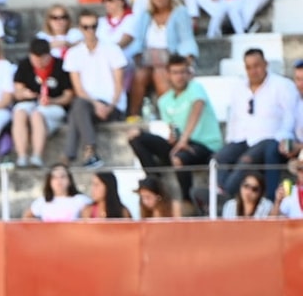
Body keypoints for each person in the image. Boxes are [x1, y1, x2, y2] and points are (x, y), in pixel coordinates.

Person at [128, 54, 221, 205]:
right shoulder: (164, 100)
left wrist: (183, 139)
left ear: (188, 73)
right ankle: (154, 183)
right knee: (136, 137)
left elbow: (196, 110)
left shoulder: (195, 88)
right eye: (175, 72)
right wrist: (174, 137)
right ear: (168, 74)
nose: (180, 76)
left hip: (204, 145)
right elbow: (172, 128)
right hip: (180, 145)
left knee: (179, 157)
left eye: (183, 72)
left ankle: (187, 201)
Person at [216, 49, 297, 202]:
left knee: (247, 160)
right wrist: (230, 142)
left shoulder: (282, 85)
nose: (253, 71)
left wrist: (281, 138)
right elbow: (234, 118)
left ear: (265, 64)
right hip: (243, 139)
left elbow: (290, 117)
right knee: (220, 157)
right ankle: (221, 193)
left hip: (271, 140)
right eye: (249, 67)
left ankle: (225, 198)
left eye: (257, 65)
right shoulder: (239, 88)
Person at [63, 9, 126, 168]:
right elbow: (79, 89)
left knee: (76, 111)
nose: (90, 30)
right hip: (89, 105)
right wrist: (97, 105)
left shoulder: (112, 49)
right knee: (79, 105)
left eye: (93, 26)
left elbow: (119, 85)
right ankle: (88, 151)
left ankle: (73, 154)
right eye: (86, 27)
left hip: (112, 105)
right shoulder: (73, 53)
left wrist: (110, 106)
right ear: (79, 28)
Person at [126, 0, 197, 118]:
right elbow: (138, 42)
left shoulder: (180, 13)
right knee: (139, 75)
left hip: (171, 59)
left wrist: (188, 60)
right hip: (147, 60)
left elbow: (187, 40)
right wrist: (136, 55)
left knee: (159, 73)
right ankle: (133, 116)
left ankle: (169, 115)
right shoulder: (146, 15)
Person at [11, 36, 73, 169]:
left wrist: (52, 101)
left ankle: (37, 156)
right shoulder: (25, 65)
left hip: (54, 106)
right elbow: (17, 91)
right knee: (19, 112)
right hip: (31, 102)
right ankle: (22, 156)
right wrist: (24, 94)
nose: (38, 62)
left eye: (42, 59)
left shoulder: (61, 66)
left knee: (36, 115)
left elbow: (68, 96)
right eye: (35, 59)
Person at [22, 162, 90, 221]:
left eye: (62, 176)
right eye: (54, 177)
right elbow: (26, 218)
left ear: (70, 180)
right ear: (49, 181)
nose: (59, 180)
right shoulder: (42, 201)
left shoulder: (81, 200)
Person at [274, 150, 303, 218]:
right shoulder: (289, 191)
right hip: (293, 228)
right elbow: (273, 221)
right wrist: (278, 202)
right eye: (300, 168)